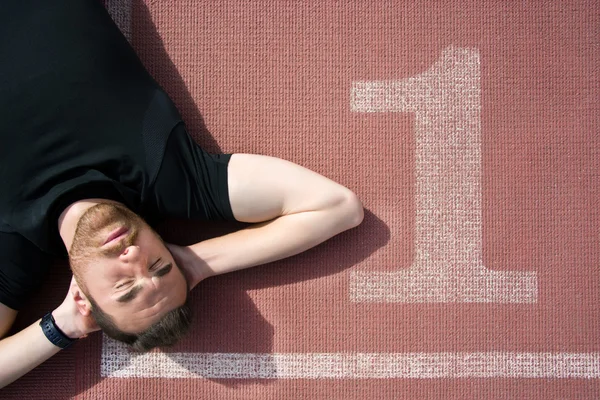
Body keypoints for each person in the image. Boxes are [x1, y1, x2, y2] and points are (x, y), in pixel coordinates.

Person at [0, 0, 363, 389]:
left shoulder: (16, 248)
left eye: (125, 286)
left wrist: (62, 327)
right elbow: (340, 207)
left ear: (84, 301)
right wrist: (196, 263)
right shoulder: (170, 177)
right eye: (159, 266)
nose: (136, 257)